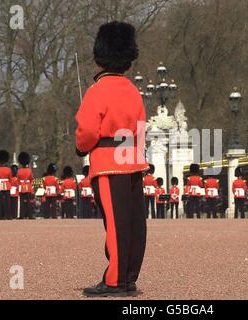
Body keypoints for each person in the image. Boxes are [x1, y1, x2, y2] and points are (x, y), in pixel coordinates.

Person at [76, 21, 149, 297]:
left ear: (100, 57)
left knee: (116, 224)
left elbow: (86, 131)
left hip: (108, 162)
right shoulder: (133, 90)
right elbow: (141, 127)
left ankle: (116, 280)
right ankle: (128, 277)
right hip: (132, 160)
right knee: (133, 222)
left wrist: (81, 147)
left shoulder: (97, 90)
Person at [0, 150, 12, 220]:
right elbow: (10, 178)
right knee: (7, 201)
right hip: (7, 185)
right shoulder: (8, 169)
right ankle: (8, 215)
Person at [17, 152, 34, 219]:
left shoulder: (19, 171)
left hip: (21, 187)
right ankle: (29, 215)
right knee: (29, 202)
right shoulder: (29, 170)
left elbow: (18, 179)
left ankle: (22, 215)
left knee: (22, 202)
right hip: (28, 187)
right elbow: (31, 179)